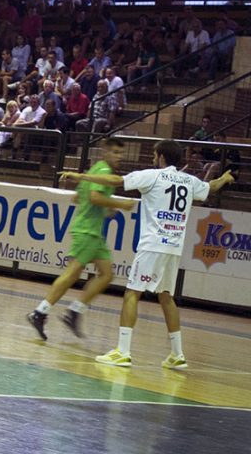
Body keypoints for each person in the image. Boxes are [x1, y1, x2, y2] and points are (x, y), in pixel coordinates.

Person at [60, 140, 235, 369]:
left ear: (161, 157)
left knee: (132, 293)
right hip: (174, 248)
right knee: (166, 297)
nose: (153, 159)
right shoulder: (189, 181)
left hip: (152, 245)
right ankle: (177, 355)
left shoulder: (152, 176)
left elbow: (116, 181)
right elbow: (210, 187)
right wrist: (224, 178)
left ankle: (123, 352)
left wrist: (82, 176)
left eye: (154, 155)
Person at [26, 139, 135, 339]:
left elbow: (77, 197)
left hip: (94, 233)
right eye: (115, 152)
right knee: (72, 274)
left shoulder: (95, 170)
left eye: (121, 153)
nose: (119, 156)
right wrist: (120, 204)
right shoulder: (104, 171)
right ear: (105, 153)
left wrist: (104, 208)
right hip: (87, 231)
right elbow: (94, 197)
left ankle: (75, 311)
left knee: (106, 274)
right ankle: (40, 312)